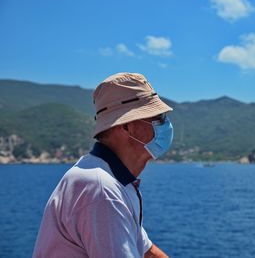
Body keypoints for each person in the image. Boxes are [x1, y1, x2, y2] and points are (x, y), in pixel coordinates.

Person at [33, 72, 173, 258]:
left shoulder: (111, 179)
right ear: (128, 126)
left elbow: (147, 251)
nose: (166, 124)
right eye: (159, 117)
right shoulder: (102, 190)